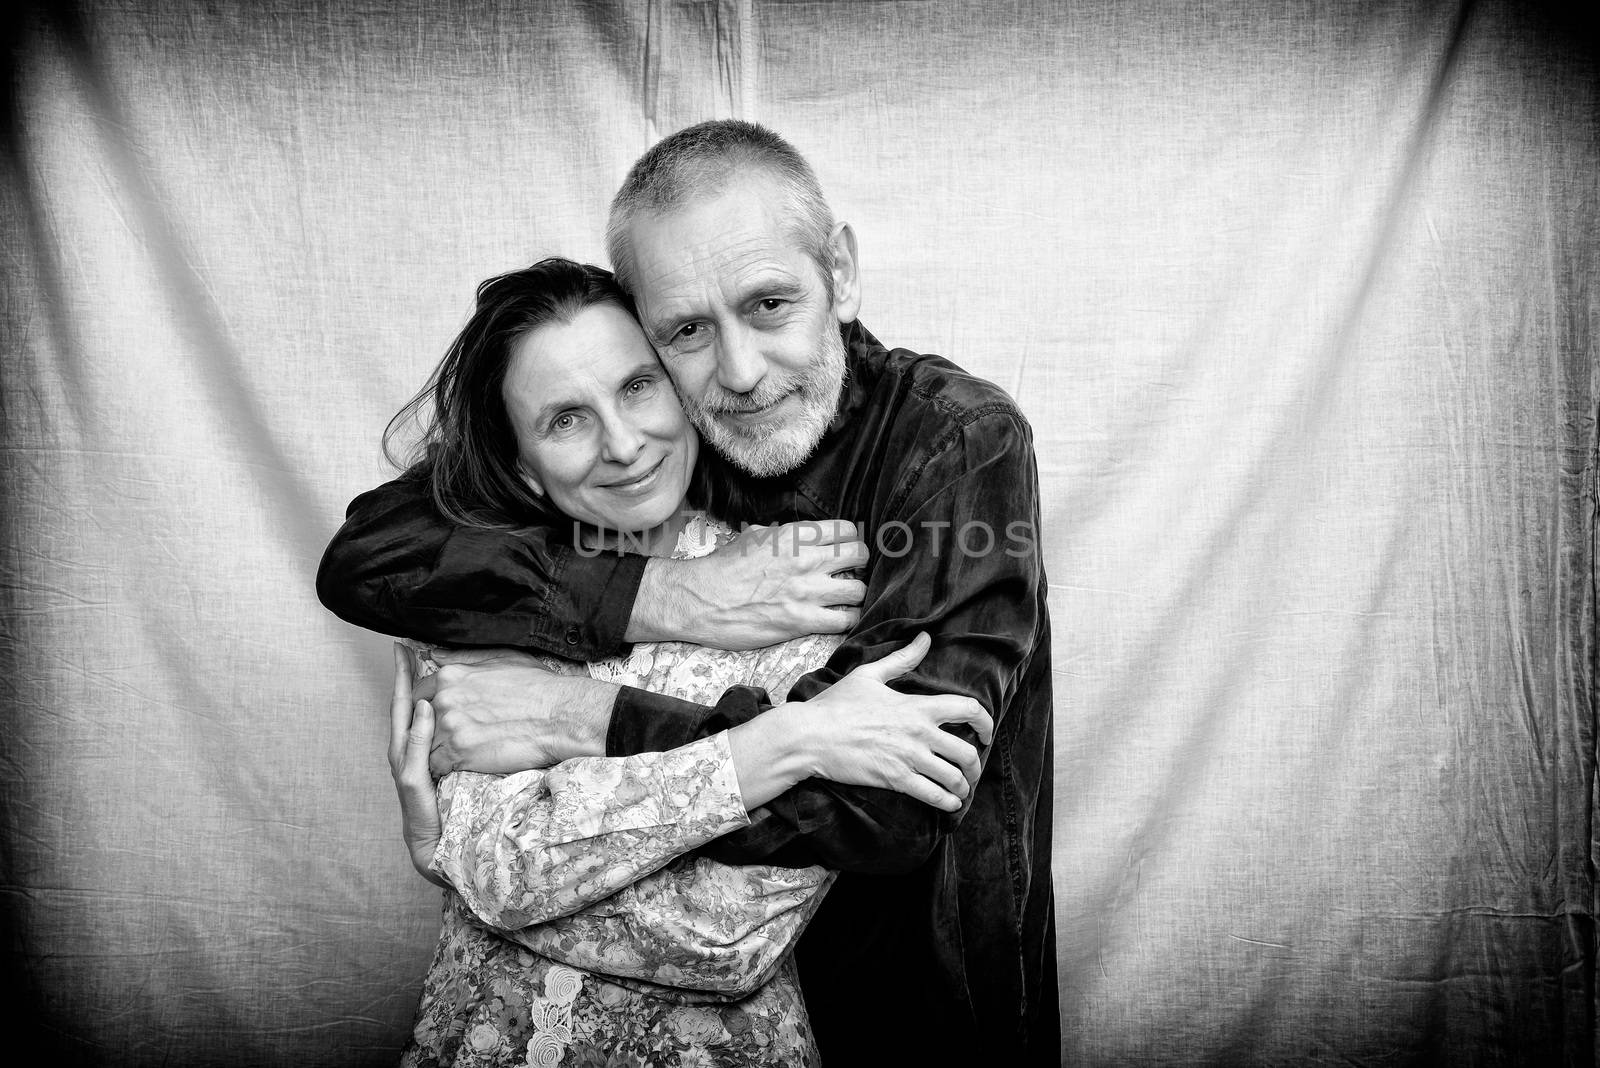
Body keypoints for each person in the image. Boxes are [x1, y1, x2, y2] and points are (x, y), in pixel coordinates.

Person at [320, 120, 1057, 1065]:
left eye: (771, 304)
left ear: (841, 269)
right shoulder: (652, 443)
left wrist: (575, 721)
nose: (742, 374)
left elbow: (890, 806)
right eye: (689, 331)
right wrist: (666, 594)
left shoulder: (953, 447)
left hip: (913, 997)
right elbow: (369, 557)